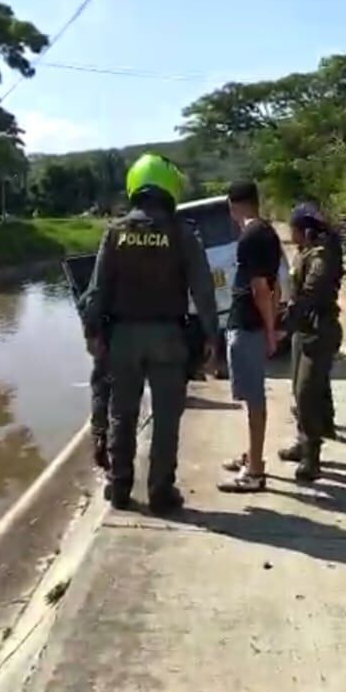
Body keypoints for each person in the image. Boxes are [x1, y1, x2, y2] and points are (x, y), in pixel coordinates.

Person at [83, 153, 218, 513]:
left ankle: (120, 487)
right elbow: (203, 291)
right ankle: (161, 491)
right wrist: (210, 336)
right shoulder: (183, 233)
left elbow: (97, 291)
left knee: (121, 414)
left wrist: (92, 332)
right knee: (166, 418)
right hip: (169, 339)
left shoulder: (115, 233)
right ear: (169, 188)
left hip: (123, 339)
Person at [216, 181, 285, 493]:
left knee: (254, 399)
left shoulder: (250, 237)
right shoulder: (267, 233)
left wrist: (270, 332)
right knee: (250, 398)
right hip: (249, 324)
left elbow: (259, 289)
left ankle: (255, 471)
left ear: (233, 205)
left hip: (248, 325)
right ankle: (251, 455)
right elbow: (275, 286)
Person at [279, 202, 343, 480]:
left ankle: (312, 458)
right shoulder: (306, 252)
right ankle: (303, 442)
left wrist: (284, 321)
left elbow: (310, 293)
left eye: (293, 229)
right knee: (299, 388)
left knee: (307, 394)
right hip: (304, 330)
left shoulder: (321, 257)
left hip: (318, 330)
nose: (290, 235)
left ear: (303, 230)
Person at [77, 281, 111, 470]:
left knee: (101, 389)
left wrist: (91, 335)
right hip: (142, 338)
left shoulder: (110, 256)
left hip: (109, 339)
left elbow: (88, 300)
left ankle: (100, 436)